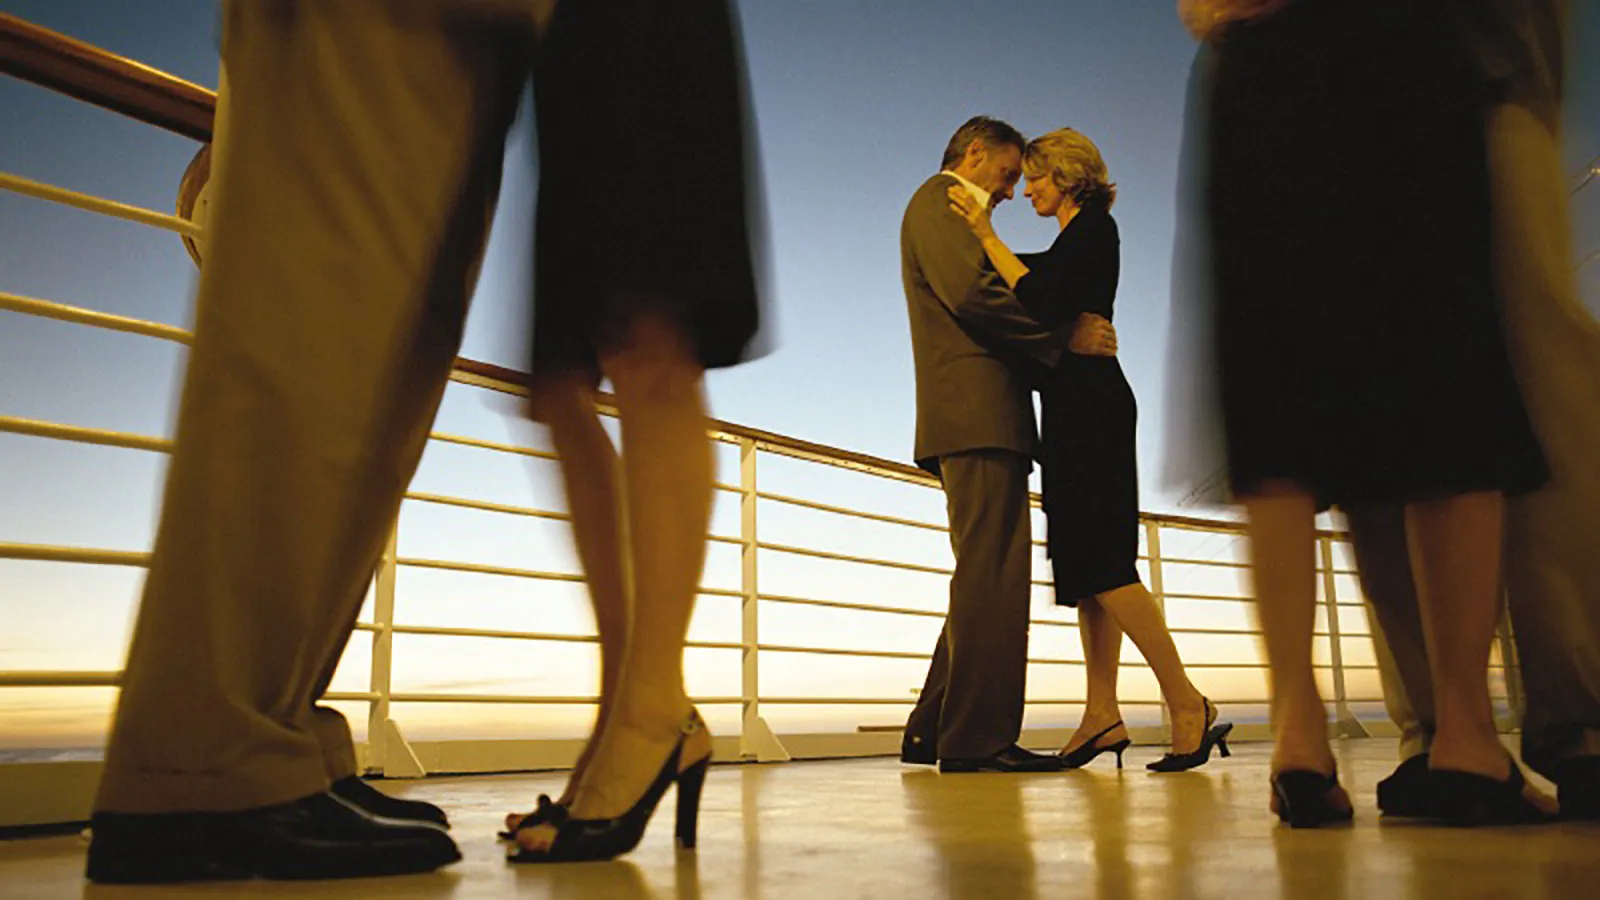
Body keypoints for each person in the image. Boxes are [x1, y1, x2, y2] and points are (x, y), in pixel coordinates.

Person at [87, 0, 764, 884]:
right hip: (552, 38)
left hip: (575, 32)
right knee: (554, 375)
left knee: (629, 336)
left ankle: (639, 713)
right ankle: (634, 716)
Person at [1183, 0, 1554, 827]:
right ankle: (1466, 733)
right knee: (1442, 385)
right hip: (1401, 42)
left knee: (1275, 408)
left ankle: (1297, 734)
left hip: (1253, 61)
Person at [1351, 0, 1600, 822]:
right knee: (1386, 404)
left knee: (1542, 372)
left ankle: (1569, 712)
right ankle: (1443, 729)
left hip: (1486, 66)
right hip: (1354, 90)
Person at [946, 128, 1231, 773]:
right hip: (1074, 408)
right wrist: (977, 246)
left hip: (1092, 409)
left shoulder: (1096, 230)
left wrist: (986, 235)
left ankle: (1187, 703)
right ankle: (1101, 713)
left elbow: (1040, 297)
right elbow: (1029, 282)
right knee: (1084, 571)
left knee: (1104, 563)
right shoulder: (1069, 243)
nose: (1028, 191)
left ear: (1067, 176)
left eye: (1036, 178)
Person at [898, 117, 1116, 774]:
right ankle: (978, 740)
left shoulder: (954, 213)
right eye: (1008, 172)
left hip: (979, 417)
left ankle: (932, 728)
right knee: (994, 574)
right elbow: (973, 293)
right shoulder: (940, 200)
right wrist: (1060, 341)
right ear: (975, 153)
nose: (1013, 188)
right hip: (978, 416)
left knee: (982, 573)